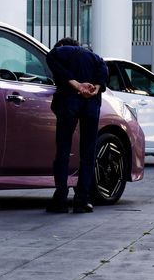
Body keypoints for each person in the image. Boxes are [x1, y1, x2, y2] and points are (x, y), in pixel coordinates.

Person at [45, 37, 108, 214]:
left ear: (63, 46)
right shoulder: (95, 57)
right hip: (91, 104)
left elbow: (50, 57)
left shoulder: (62, 51)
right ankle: (82, 200)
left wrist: (74, 84)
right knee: (88, 153)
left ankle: (61, 198)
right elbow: (104, 71)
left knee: (63, 150)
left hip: (69, 103)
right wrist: (94, 87)